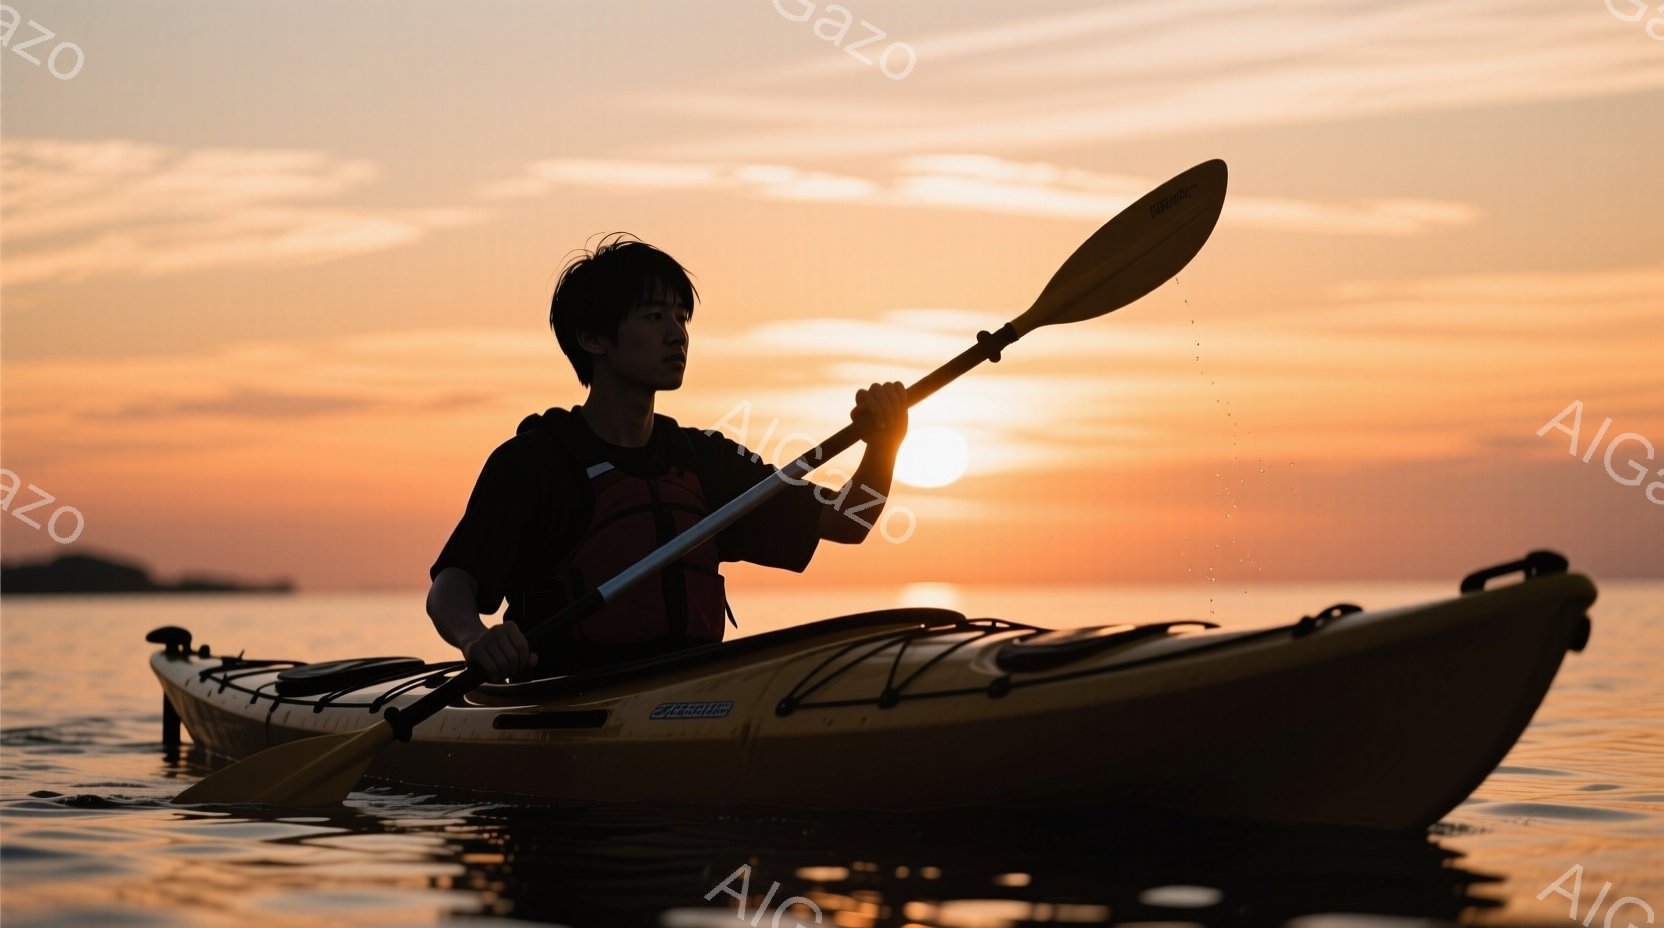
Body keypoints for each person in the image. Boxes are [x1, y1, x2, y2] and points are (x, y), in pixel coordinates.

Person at [427, 234, 908, 681]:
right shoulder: (535, 462)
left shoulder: (704, 459)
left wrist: (885, 444)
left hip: (690, 692)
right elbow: (450, 587)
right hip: (568, 697)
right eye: (655, 317)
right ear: (593, 338)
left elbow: (852, 521)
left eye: (681, 317)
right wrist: (475, 638)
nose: (678, 334)